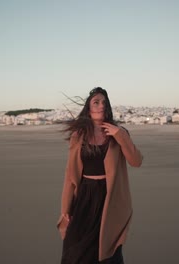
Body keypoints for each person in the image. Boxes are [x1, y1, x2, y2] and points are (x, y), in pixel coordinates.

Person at [57, 87, 143, 263]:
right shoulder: (78, 136)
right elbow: (70, 176)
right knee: (76, 250)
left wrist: (120, 136)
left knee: (108, 251)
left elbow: (136, 161)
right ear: (89, 109)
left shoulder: (118, 133)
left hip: (109, 199)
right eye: (96, 102)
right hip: (84, 198)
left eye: (104, 102)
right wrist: (65, 209)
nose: (101, 105)